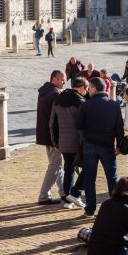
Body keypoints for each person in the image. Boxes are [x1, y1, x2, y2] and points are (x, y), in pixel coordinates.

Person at [76, 77, 124, 217]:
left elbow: (78, 125)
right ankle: (115, 207)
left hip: (90, 145)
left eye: (89, 88)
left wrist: (85, 135)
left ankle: (90, 209)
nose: (88, 90)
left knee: (90, 178)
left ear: (95, 88)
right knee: (112, 177)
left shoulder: (86, 105)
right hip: (107, 145)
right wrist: (119, 144)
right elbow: (119, 127)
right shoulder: (114, 105)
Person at [50, 76, 88, 210]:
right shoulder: (80, 101)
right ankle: (74, 194)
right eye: (86, 89)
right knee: (86, 168)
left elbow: (52, 122)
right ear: (82, 87)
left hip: (63, 142)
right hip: (77, 142)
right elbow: (83, 124)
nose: (86, 92)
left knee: (69, 169)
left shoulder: (58, 99)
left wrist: (55, 141)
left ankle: (67, 199)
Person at [36, 70, 66, 205]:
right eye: (62, 79)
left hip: (46, 135)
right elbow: (58, 118)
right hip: (54, 137)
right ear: (54, 79)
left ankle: (65, 192)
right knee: (55, 165)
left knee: (57, 165)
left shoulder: (44, 91)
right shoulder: (55, 94)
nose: (64, 82)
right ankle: (44, 195)